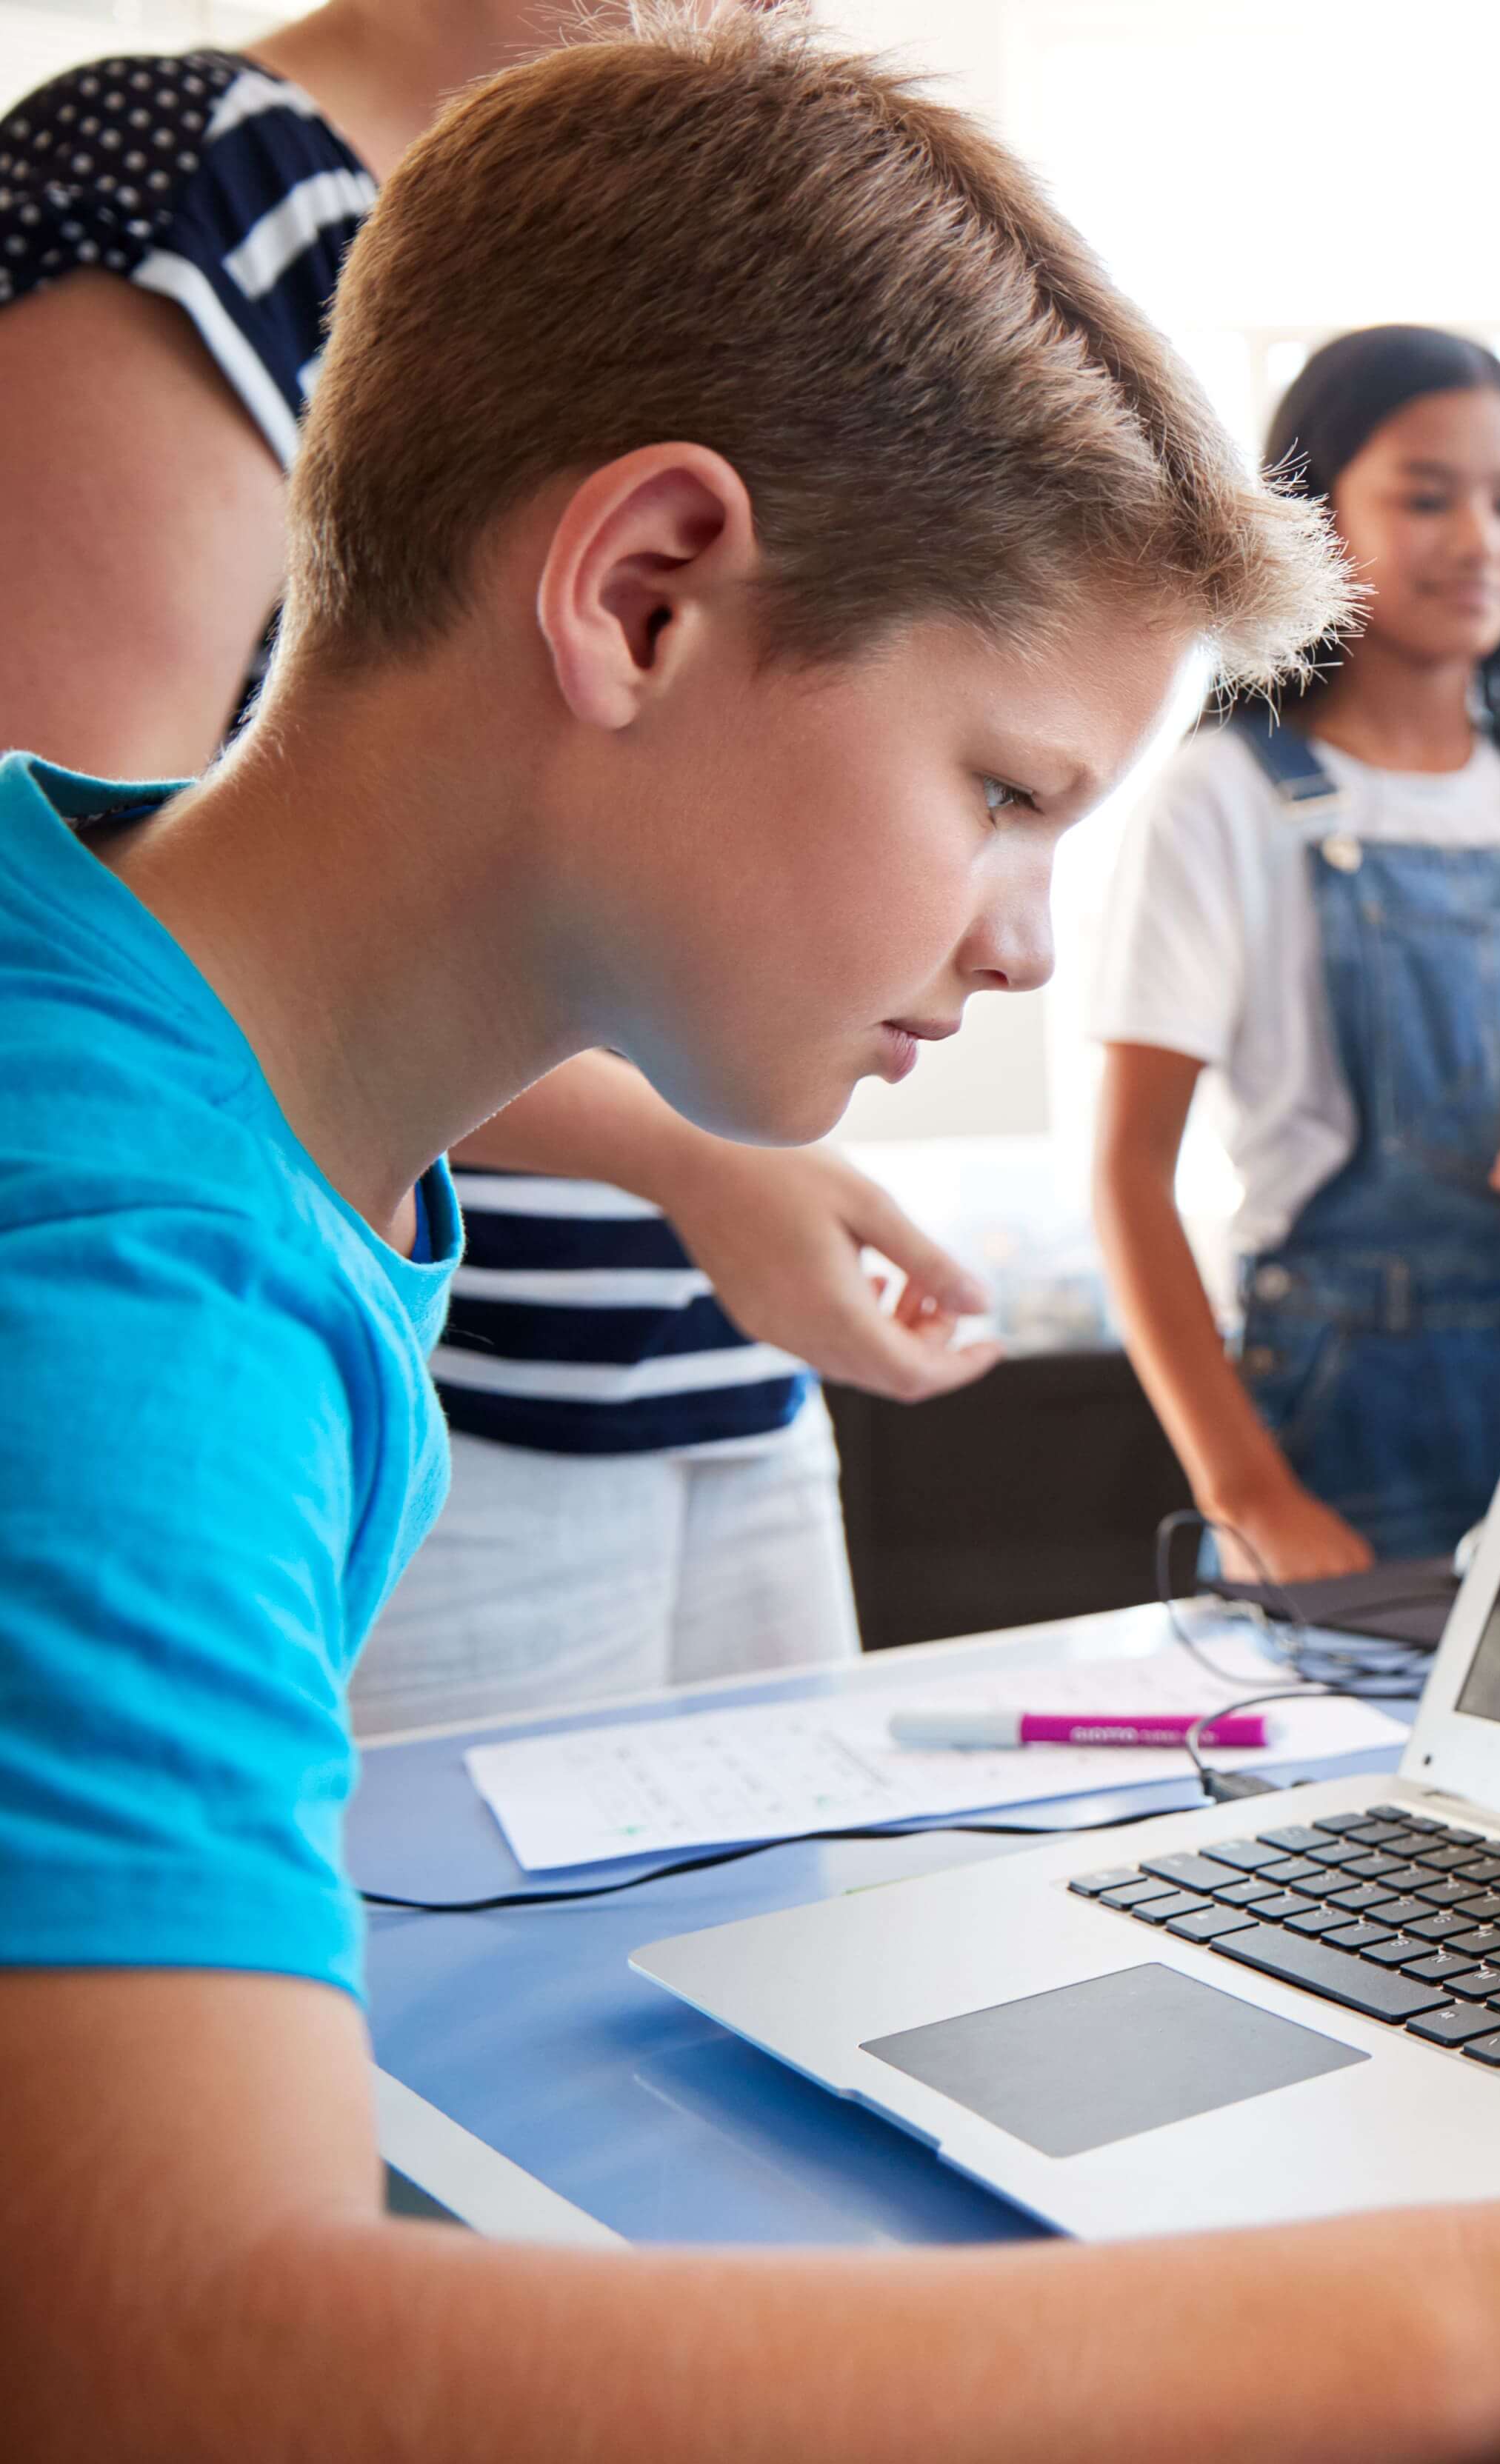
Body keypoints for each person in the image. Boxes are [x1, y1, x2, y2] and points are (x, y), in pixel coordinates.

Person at [0, 23, 1500, 2464]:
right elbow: (165, 2382)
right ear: (642, 592)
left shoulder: (132, 1014)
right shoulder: (121, 1276)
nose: (1018, 938)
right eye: (1002, 792)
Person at [0, 0, 998, 1734]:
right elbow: (122, 929)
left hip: (724, 1381)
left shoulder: (691, 289)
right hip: (435, 1391)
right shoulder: (199, 180)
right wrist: (690, 1160)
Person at [1095, 327, 1500, 1580]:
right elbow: (1128, 1179)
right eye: (1426, 497)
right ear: (1309, 514)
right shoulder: (1223, 799)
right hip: (1331, 1435)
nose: (1480, 540)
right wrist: (1245, 1490)